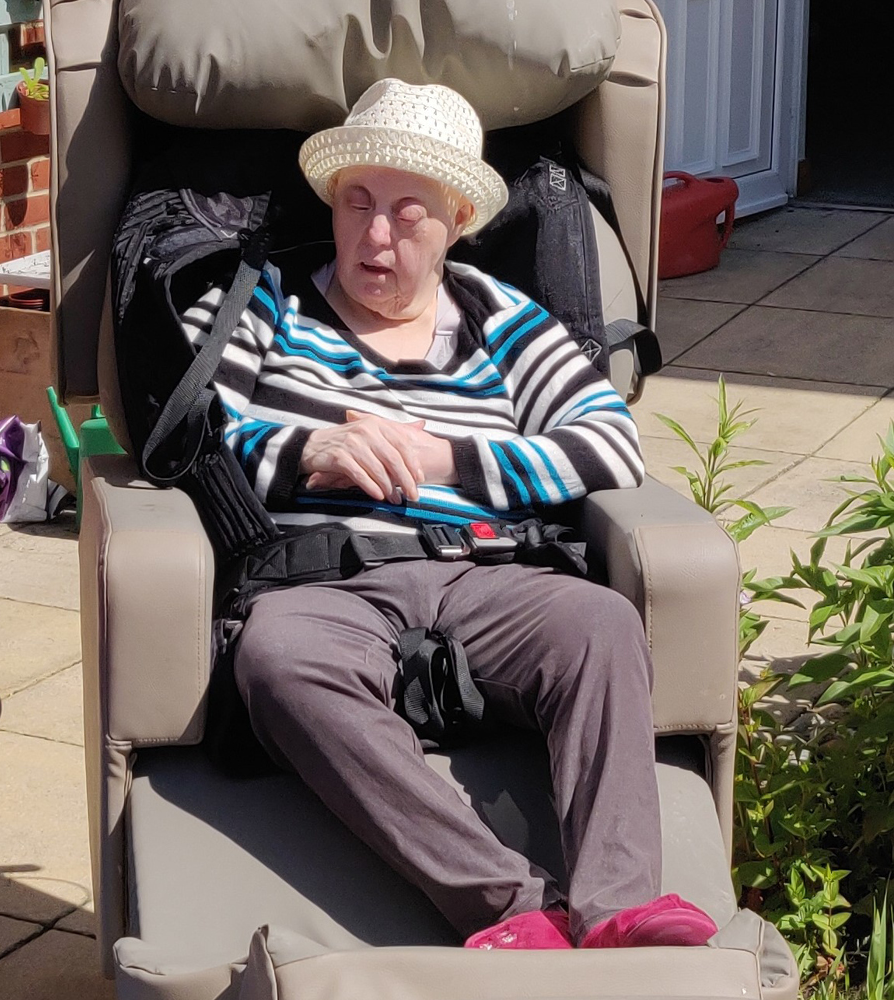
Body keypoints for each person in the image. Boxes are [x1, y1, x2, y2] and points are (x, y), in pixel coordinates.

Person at [186, 78, 717, 950]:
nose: (376, 233)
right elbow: (194, 430)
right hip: (328, 570)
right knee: (279, 659)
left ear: (460, 217)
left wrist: (449, 458)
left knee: (602, 624)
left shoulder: (501, 317)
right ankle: (510, 906)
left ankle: (617, 905)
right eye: (357, 202)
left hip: (487, 566)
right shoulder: (263, 301)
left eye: (408, 211)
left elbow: (611, 446)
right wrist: (306, 449)